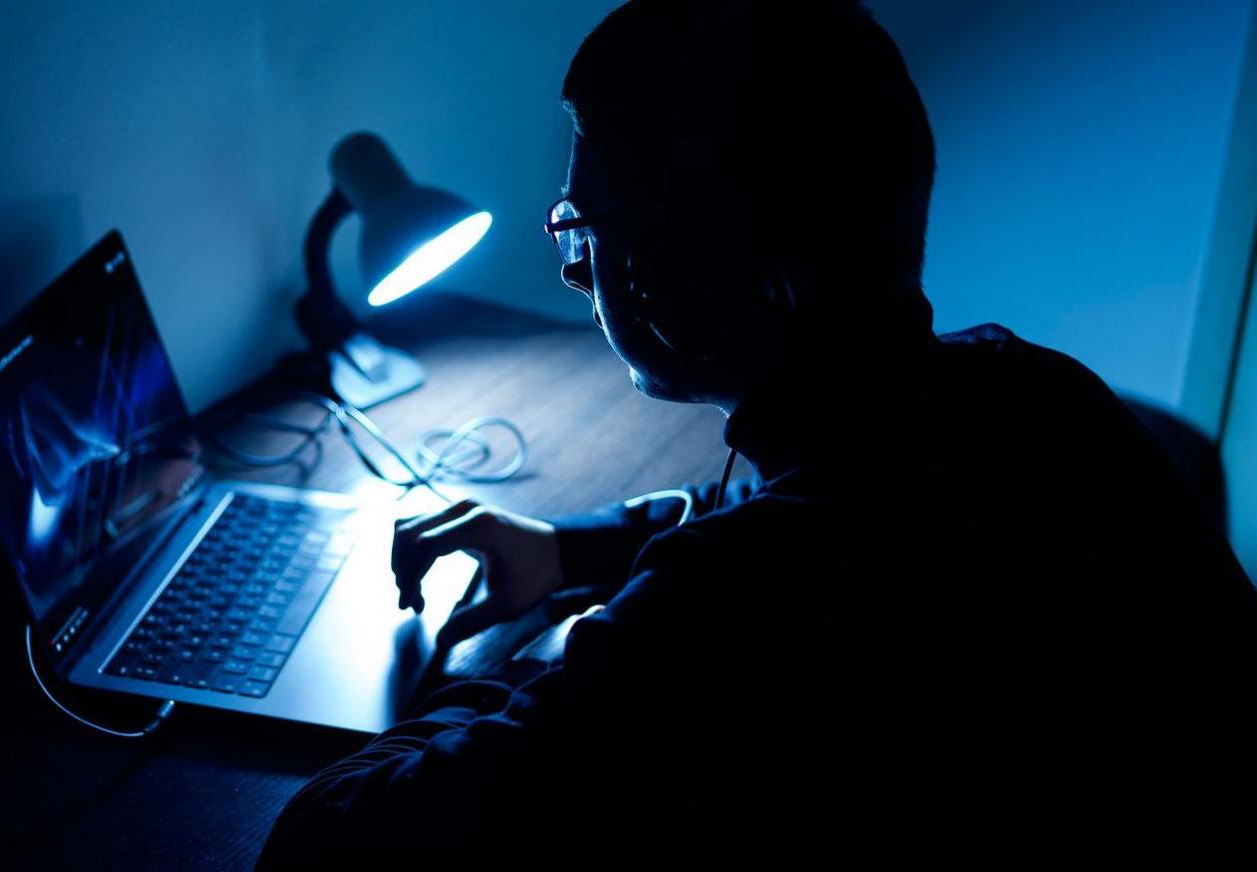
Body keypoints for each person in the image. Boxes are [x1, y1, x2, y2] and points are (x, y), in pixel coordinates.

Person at [256, 1, 1257, 867]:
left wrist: (535, 669)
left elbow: (327, 839)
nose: (573, 272)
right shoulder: (1027, 390)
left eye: (585, 229)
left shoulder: (749, 601)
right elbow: (823, 500)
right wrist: (570, 549)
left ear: (694, 277)